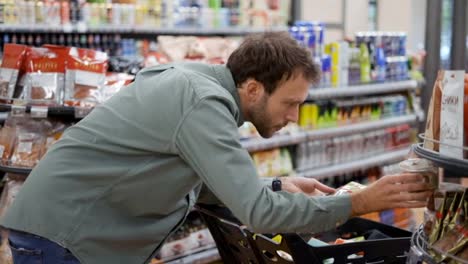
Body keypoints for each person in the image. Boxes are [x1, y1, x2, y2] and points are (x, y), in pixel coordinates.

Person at [0, 32, 432, 264]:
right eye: (290, 104)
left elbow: (197, 184)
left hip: (64, 231)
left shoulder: (198, 87)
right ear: (252, 88)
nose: (294, 117)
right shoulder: (202, 102)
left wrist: (277, 183)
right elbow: (259, 214)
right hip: (64, 237)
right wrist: (358, 203)